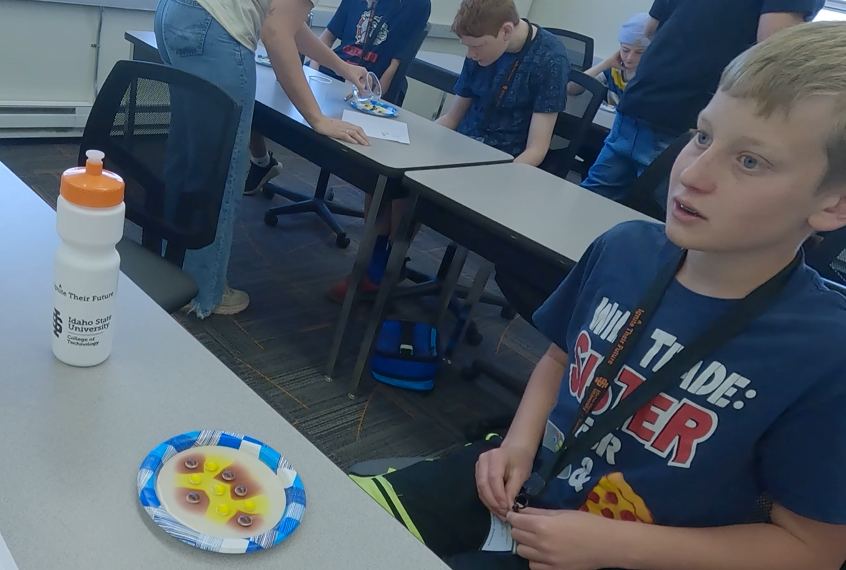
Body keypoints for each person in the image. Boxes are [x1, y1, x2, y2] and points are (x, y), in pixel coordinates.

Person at [349, 21, 846, 570]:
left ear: (835, 205)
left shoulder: (825, 350)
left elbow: (813, 549)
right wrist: (518, 442)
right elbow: (561, 358)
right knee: (341, 521)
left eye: (750, 161)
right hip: (536, 476)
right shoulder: (625, 248)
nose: (693, 174)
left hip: (632, 553)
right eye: (703, 136)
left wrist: (613, 545)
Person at [328, 0, 570, 302]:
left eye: (477, 47)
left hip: (502, 163)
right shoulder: (480, 44)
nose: (471, 54)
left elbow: (537, 148)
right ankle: (382, 259)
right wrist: (414, 139)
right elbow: (453, 117)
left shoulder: (550, 58)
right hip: (459, 148)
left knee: (411, 191)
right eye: (466, 47)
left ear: (506, 31)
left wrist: (505, 182)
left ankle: (384, 264)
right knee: (389, 173)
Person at [155, 0, 371, 317]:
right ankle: (203, 290)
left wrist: (341, 66)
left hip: (175, 14)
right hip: (214, 28)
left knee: (187, 155)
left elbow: (286, 20)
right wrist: (317, 118)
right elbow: (275, 33)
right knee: (220, 170)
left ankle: (167, 263)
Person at [580, 0, 825, 204]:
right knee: (674, 219)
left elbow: (650, 29)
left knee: (594, 199)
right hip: (690, 113)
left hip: (643, 95)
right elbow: (775, 41)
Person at [244, 0, 432, 196]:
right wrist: (312, 73)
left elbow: (394, 68)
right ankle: (261, 162)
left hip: (361, 88)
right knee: (261, 99)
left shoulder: (415, 6)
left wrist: (361, 86)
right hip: (330, 76)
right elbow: (296, 30)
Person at [567, 12, 651, 107]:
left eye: (639, 52)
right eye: (625, 50)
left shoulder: (651, 78)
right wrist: (606, 63)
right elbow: (571, 89)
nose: (630, 57)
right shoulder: (613, 71)